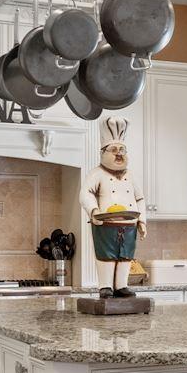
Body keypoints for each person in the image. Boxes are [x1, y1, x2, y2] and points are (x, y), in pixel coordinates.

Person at [79, 116, 145, 295]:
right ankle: (105, 286)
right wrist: (94, 210)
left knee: (126, 256)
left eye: (122, 150)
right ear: (103, 153)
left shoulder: (131, 175)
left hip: (129, 224)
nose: (119, 154)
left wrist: (142, 221)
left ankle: (121, 286)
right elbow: (85, 193)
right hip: (105, 223)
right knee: (106, 256)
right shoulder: (97, 174)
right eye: (114, 150)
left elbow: (140, 198)